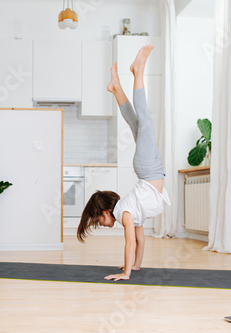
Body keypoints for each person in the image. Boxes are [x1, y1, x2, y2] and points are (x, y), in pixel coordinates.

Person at [77, 45, 171, 282]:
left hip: (149, 169)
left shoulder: (125, 212)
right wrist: (136, 266)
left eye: (100, 220)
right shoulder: (132, 214)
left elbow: (129, 242)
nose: (103, 224)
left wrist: (126, 273)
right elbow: (139, 240)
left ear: (107, 211)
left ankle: (137, 71)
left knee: (145, 120)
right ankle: (116, 88)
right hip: (150, 169)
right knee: (137, 122)